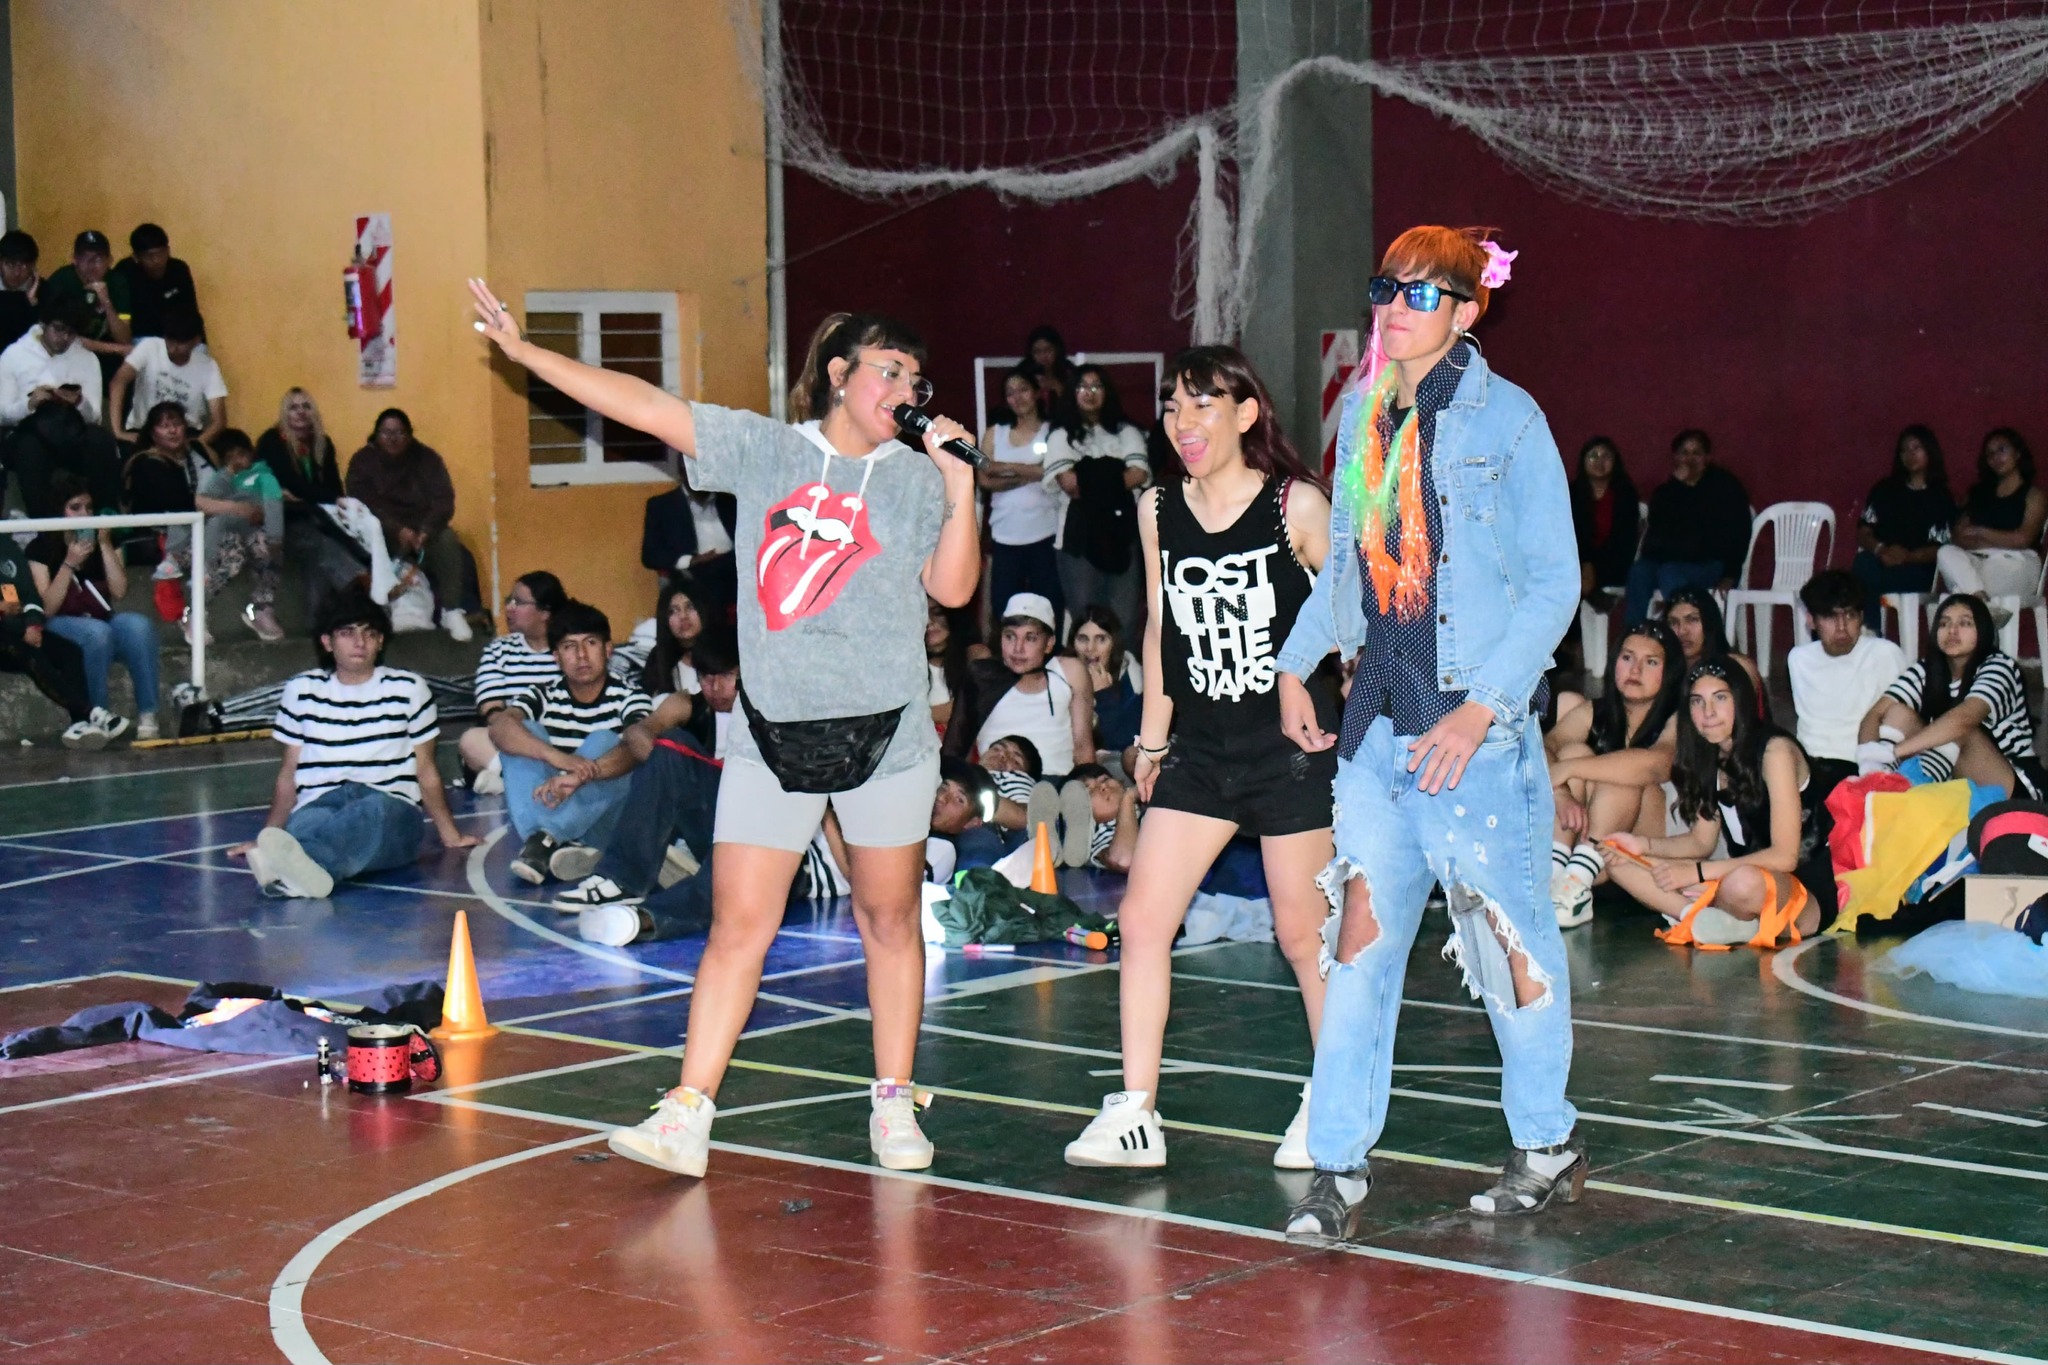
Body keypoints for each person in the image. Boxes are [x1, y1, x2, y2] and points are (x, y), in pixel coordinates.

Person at [471, 283, 981, 1179]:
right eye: (888, 370)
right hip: (771, 736)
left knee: (889, 916)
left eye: (915, 378)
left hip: (887, 737)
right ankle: (687, 1110)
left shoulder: (914, 477)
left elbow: (952, 589)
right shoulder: (769, 450)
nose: (905, 389)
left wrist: (961, 482)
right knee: (738, 924)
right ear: (840, 373)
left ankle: (894, 1100)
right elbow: (645, 404)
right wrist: (526, 353)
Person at [1272, 228, 1583, 1239]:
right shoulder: (1366, 413)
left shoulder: (1510, 419)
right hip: (1376, 731)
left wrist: (1481, 706)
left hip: (1471, 738)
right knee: (1355, 948)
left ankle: (1545, 1143)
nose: (1394, 307)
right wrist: (1291, 663)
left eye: (1420, 292)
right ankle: (1335, 1167)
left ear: (1465, 309)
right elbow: (1347, 568)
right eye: (1385, 288)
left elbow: (1556, 584)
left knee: (1506, 947)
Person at [1062, 345, 1338, 1172]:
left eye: (1201, 404)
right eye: (1172, 407)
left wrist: (1311, 685)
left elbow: (1355, 611)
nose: (1182, 422)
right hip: (1202, 748)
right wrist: (1152, 738)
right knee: (1143, 920)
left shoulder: (1295, 505)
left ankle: (1335, 1102)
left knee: (1302, 936)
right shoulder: (1158, 508)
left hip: (1289, 750)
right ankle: (1135, 1110)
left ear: (1246, 413)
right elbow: (1159, 627)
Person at [228, 590, 477, 898]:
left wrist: (450, 835)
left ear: (381, 641)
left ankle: (296, 866)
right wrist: (268, 835)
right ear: (327, 642)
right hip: (320, 803)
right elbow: (289, 773)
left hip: (390, 806)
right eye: (347, 633)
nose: (360, 642)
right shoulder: (301, 690)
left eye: (369, 633)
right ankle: (302, 873)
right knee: (310, 824)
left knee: (374, 813)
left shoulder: (409, 689)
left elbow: (426, 769)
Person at [1604, 662, 1833, 946]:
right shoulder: (1709, 756)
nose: (1708, 712)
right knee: (1619, 861)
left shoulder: (1775, 752)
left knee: (1743, 882)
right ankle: (1698, 917)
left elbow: (1785, 857)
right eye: (1697, 702)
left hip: (1797, 891)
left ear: (1741, 702)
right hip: (1732, 878)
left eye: (1720, 698)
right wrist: (1641, 845)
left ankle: (1713, 916)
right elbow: (1701, 842)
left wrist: (1698, 873)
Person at [486, 600, 655, 885]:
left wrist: (579, 775)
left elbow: (637, 751)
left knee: (606, 741)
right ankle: (561, 845)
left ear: (608, 650)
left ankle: (545, 841)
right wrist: (557, 758)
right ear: (556, 657)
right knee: (521, 731)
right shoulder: (543, 694)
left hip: (606, 819)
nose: (581, 655)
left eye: (590, 643)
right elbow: (499, 728)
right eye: (569, 646)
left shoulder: (630, 696)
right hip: (553, 804)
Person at [1545, 621, 1685, 927]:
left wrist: (1568, 769)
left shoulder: (1679, 717)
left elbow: (1655, 764)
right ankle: (1555, 877)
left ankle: (1576, 879)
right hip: (1590, 849)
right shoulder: (1594, 711)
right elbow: (1545, 747)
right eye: (1627, 658)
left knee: (1624, 774)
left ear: (1670, 672)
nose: (1635, 670)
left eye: (1651, 662)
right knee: (1571, 751)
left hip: (1646, 856)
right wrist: (1561, 792)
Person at [1859, 593, 2043, 798]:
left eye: (1965, 623)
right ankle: (1876, 785)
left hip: (2015, 787)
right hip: (1955, 780)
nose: (1952, 631)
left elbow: (1963, 720)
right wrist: (1869, 760)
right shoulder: (1926, 670)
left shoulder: (2000, 667)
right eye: (1944, 624)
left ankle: (1908, 791)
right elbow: (1875, 713)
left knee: (1958, 729)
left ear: (1983, 630)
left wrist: (1893, 752)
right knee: (1898, 712)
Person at [26, 473, 160, 739]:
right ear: (59, 510)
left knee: (139, 625)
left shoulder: (106, 541)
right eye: (75, 508)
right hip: (59, 623)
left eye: (88, 507)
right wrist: (69, 563)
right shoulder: (40, 547)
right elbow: (47, 608)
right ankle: (97, 715)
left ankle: (149, 713)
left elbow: (119, 591)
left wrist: (105, 544)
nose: (84, 514)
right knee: (97, 633)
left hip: (100, 617)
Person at [344, 408, 471, 641]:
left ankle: (451, 610)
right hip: (379, 534)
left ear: (410, 435)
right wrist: (397, 530)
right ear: (376, 435)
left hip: (423, 534)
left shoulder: (428, 459)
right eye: (386, 433)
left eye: (400, 433)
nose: (392, 439)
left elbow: (443, 500)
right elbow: (362, 502)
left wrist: (426, 531)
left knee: (448, 540)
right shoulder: (363, 461)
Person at [1045, 365, 1149, 635]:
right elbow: (1070, 485)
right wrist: (1115, 473)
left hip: (1123, 534)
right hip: (1077, 537)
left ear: (1107, 391)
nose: (1089, 393)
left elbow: (1138, 475)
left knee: (1124, 620)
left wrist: (1087, 473)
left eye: (1096, 386)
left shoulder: (1127, 432)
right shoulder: (1061, 435)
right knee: (1085, 617)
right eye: (1082, 386)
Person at [0, 296, 121, 518]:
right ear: (43, 324)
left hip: (71, 430)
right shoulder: (13, 355)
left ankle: (107, 516)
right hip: (29, 431)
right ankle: (44, 526)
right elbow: (3, 414)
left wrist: (79, 402)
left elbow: (94, 417)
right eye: (58, 329)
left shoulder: (87, 359)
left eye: (71, 333)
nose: (64, 338)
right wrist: (30, 403)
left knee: (100, 440)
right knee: (29, 448)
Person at [1786, 570, 1905, 795]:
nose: (1841, 627)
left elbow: (1903, 719)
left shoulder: (1884, 654)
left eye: (1850, 616)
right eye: (1830, 617)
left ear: (1861, 617)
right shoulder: (1798, 658)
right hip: (1810, 766)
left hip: (1863, 765)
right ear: (1811, 621)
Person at [1623, 429, 1752, 624]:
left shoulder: (1725, 487)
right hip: (1665, 560)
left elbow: (1740, 531)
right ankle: (1634, 633)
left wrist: (1730, 574)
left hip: (1708, 563)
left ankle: (1681, 634)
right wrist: (1677, 486)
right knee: (1639, 572)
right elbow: (1657, 520)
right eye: (1684, 453)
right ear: (1675, 457)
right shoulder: (1668, 490)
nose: (1690, 459)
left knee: (1670, 574)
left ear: (1707, 458)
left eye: (1696, 453)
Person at [257, 387, 363, 618]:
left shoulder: (323, 443)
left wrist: (323, 498)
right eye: (293, 407)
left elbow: (334, 488)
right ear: (284, 413)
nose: (300, 412)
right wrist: (324, 497)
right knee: (320, 544)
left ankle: (317, 622)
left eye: (306, 406)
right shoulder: (272, 441)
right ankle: (360, 586)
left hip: (317, 517)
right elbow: (290, 482)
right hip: (284, 521)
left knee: (323, 550)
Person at [460, 569, 568, 792]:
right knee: (471, 740)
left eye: (518, 602)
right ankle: (533, 784)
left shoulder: (569, 648)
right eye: (509, 601)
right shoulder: (499, 650)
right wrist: (523, 738)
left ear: (544, 612)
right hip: (515, 740)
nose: (509, 608)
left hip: (562, 738)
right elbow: (491, 710)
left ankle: (512, 784)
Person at [965, 593, 1094, 776]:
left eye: (1030, 638)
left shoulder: (1069, 672)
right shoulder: (983, 677)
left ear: (1049, 644)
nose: (1018, 649)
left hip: (1056, 783)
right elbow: (960, 748)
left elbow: (1083, 747)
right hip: (995, 781)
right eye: (1010, 636)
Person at [979, 363, 1065, 630]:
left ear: (1037, 392)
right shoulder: (995, 432)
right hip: (1005, 535)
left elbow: (1050, 472)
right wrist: (1028, 473)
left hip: (1045, 535)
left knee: (1048, 608)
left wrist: (1004, 467)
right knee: (1003, 607)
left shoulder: (1053, 432)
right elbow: (984, 477)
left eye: (1023, 390)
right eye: (1010, 393)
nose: (1017, 398)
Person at [0, 526, 103, 747]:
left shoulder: (6, 546)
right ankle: (88, 711)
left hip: (15, 628)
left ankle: (80, 725)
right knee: (27, 653)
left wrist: (33, 624)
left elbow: (26, 594)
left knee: (69, 652)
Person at [1851, 425, 1952, 627]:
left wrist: (1907, 556)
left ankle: (1870, 633)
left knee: (1864, 580)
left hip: (1917, 569)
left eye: (1916, 448)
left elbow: (1941, 548)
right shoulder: (1884, 490)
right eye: (1904, 450)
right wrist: (1881, 550)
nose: (1910, 455)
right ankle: (1869, 633)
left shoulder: (1941, 498)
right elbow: (1863, 532)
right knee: (1862, 565)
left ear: (1929, 451)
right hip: (1880, 560)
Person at [193, 428, 286, 642]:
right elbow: (207, 499)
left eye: (241, 454)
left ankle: (260, 610)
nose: (238, 460)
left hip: (254, 530)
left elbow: (273, 504)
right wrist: (227, 472)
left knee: (267, 549)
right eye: (230, 457)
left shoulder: (263, 476)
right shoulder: (223, 479)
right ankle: (196, 610)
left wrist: (275, 537)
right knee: (226, 558)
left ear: (251, 453)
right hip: (223, 535)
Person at [1936, 429, 2045, 604]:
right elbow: (1959, 536)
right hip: (1979, 561)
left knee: (1962, 586)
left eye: (2002, 449)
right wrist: (2001, 540)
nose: (1996, 457)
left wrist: (1980, 532)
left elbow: (2023, 539)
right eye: (1990, 454)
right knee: (1945, 552)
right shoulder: (1979, 493)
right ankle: (1980, 600)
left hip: (2017, 563)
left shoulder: (2033, 495)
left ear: (2018, 453)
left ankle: (1973, 600)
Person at [122, 401, 206, 607]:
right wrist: (231, 508)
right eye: (164, 426)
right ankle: (192, 612)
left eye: (177, 424)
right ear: (152, 433)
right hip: (164, 534)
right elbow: (182, 504)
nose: (172, 431)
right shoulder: (148, 464)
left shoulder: (198, 451)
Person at [108, 309, 226, 448]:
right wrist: (118, 431)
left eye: (180, 343)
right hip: (143, 431)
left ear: (196, 341)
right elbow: (118, 382)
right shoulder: (149, 347)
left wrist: (194, 447)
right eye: (170, 340)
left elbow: (219, 421)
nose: (173, 348)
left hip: (187, 434)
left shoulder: (208, 366)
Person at [38, 231, 132, 384]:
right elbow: (62, 336)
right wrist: (116, 349)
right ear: (74, 259)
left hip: (104, 353)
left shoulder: (117, 282)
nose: (92, 265)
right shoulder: (62, 281)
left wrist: (106, 302)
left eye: (98, 259)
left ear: (109, 260)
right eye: (85, 258)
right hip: (64, 351)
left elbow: (124, 338)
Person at [640, 477, 739, 613]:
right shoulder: (662, 505)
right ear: (682, 471)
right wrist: (691, 560)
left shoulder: (731, 501)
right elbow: (650, 555)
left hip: (736, 566)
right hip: (695, 573)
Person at [1660, 585, 1763, 710]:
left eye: (1692, 620)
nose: (1682, 631)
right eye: (1673, 622)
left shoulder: (1737, 667)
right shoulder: (1662, 669)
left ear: (1710, 622)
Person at [1070, 604, 1142, 766]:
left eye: (1101, 639)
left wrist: (1104, 696)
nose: (1090, 648)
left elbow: (1125, 743)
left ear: (1114, 643)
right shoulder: (1059, 675)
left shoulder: (1134, 683)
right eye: (1083, 639)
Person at [1570, 436, 1639, 603]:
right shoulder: (1571, 493)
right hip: (1576, 560)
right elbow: (1568, 535)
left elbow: (1625, 540)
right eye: (1593, 456)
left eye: (1606, 456)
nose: (1599, 461)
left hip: (1612, 562)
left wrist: (1594, 567)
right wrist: (1585, 563)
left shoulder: (1626, 494)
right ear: (1583, 461)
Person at [111, 224, 201, 341]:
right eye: (149, 256)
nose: (156, 260)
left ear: (168, 251)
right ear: (136, 257)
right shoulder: (124, 273)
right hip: (139, 338)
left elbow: (191, 312)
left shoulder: (179, 270)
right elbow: (121, 319)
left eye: (160, 254)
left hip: (176, 338)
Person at [924, 597, 985, 736]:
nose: (929, 622)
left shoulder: (975, 656)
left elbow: (977, 707)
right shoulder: (906, 667)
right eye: (922, 615)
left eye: (937, 613)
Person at [0, 230, 41, 350]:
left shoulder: (45, 292)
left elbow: (43, 338)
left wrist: (33, 303)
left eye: (24, 266)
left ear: (33, 266)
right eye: (11, 264)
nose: (17, 272)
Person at [1024, 325, 1075, 409]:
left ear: (1057, 350)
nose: (1043, 356)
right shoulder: (1024, 374)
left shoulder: (1069, 372)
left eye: (1048, 350)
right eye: (1037, 351)